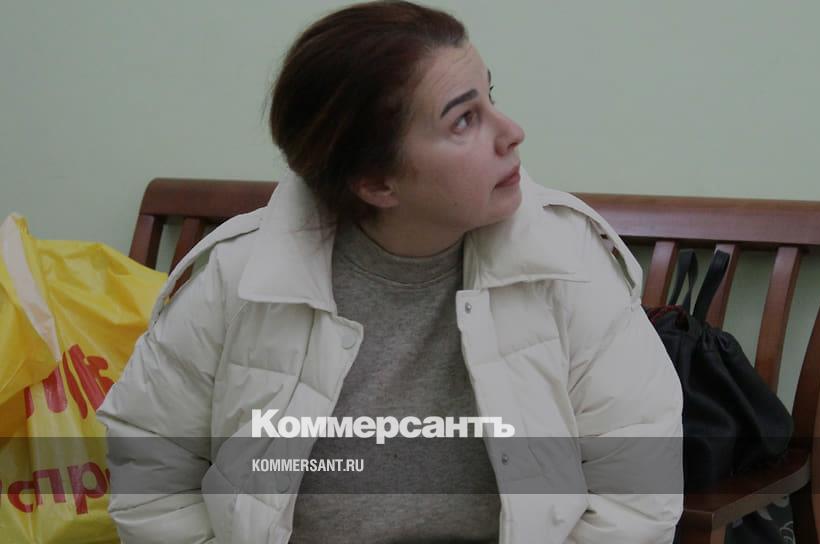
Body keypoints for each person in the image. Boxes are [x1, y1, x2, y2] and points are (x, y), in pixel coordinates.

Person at [96, 1, 683, 543]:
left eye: (490, 97)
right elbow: (152, 464)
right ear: (377, 183)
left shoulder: (566, 259)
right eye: (464, 120)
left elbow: (637, 487)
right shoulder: (239, 274)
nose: (511, 133)